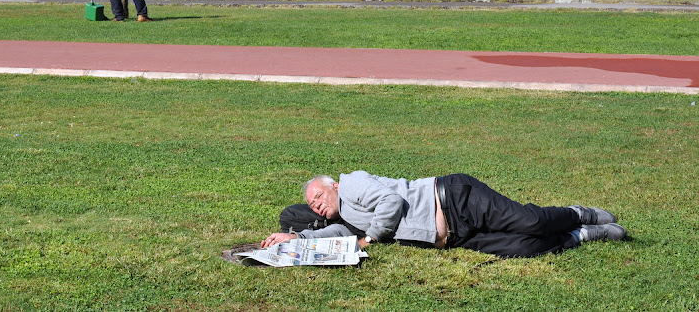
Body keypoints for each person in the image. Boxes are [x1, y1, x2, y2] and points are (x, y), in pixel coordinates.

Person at [261, 171, 627, 258]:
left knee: (530, 221)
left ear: (333, 186)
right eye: (312, 207)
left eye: (318, 197)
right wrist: (296, 238)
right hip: (454, 235)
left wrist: (372, 237)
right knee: (523, 248)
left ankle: (580, 214)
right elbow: (337, 236)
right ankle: (581, 236)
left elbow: (389, 203)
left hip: (453, 198)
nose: (316, 206)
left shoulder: (353, 184)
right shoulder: (346, 218)